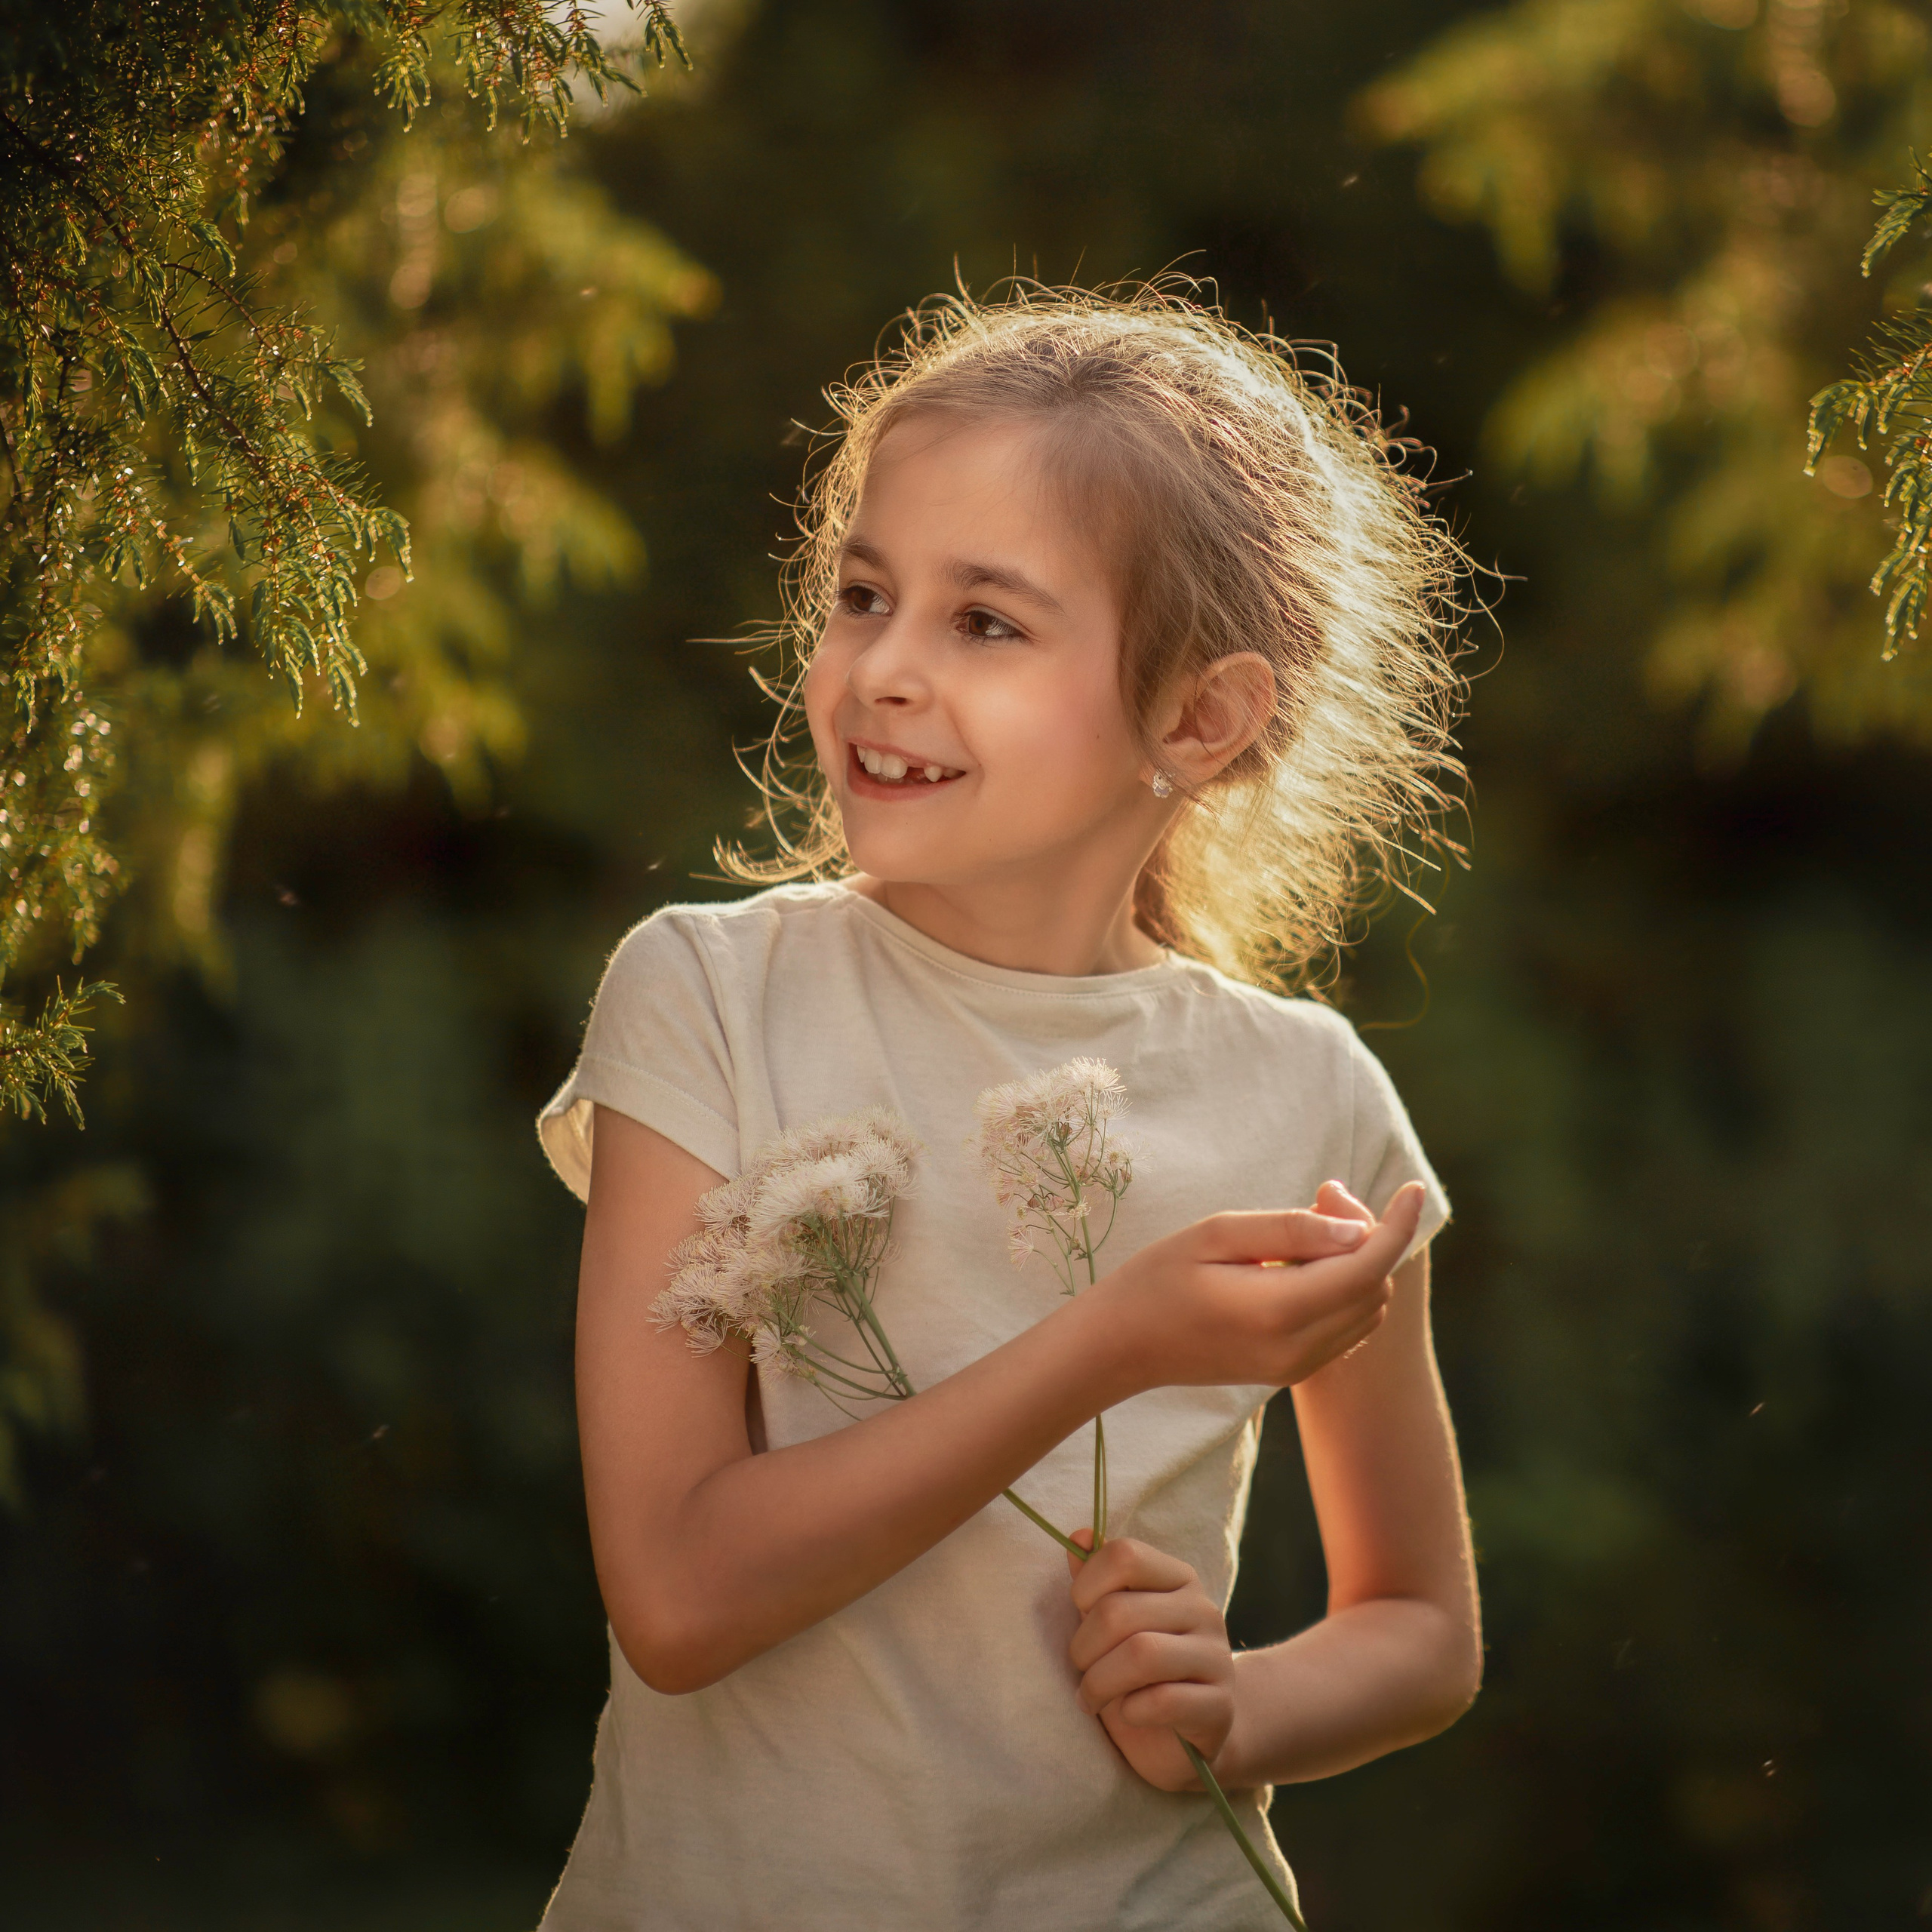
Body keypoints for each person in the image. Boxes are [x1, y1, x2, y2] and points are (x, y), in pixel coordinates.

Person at [536, 285, 1481, 1930]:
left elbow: (1416, 1623)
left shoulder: (1307, 1089)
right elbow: (677, 1594)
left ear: (1196, 717)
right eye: (861, 594)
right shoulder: (705, 995)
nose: (880, 669)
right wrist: (1106, 1344)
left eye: (984, 623)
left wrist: (1239, 1707)